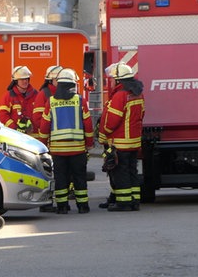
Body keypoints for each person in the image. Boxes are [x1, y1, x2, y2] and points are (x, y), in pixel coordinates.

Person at [39, 68, 94, 214]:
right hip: (78, 149)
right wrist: (89, 143)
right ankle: (83, 206)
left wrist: (43, 145)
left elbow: (44, 127)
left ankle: (62, 206)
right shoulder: (80, 101)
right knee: (79, 178)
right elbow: (88, 124)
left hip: (58, 151)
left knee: (61, 179)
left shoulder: (51, 102)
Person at [98, 63, 145, 211]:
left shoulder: (120, 95)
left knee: (121, 172)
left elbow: (111, 121)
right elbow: (141, 114)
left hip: (120, 143)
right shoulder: (137, 93)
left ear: (119, 81)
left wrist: (104, 131)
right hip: (134, 142)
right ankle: (135, 201)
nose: (111, 81)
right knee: (132, 171)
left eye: (113, 79)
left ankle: (124, 203)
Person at [32, 65, 63, 213]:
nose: (60, 81)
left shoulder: (65, 93)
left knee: (60, 173)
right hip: (49, 140)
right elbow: (38, 119)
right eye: (57, 79)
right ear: (51, 80)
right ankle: (46, 203)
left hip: (60, 141)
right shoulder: (43, 94)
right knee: (48, 172)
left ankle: (58, 200)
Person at [0, 65, 38, 137]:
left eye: (26, 79)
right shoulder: (8, 96)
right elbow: (3, 115)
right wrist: (15, 128)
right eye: (22, 79)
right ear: (16, 81)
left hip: (34, 137)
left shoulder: (36, 95)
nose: (25, 81)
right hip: (15, 136)